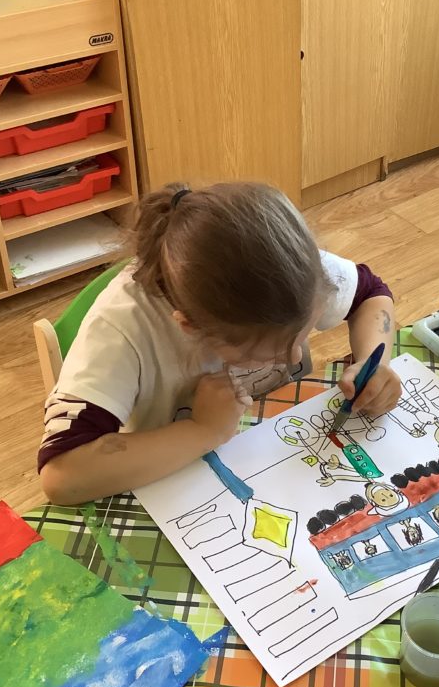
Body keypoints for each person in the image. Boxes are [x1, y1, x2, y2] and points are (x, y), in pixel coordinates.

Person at [39, 183, 402, 505]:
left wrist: (374, 361)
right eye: (264, 351)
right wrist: (202, 430)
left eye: (301, 334)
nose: (294, 356)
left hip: (276, 447)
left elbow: (370, 294)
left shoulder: (291, 270)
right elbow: (61, 475)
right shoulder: (121, 330)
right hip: (176, 475)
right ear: (190, 327)